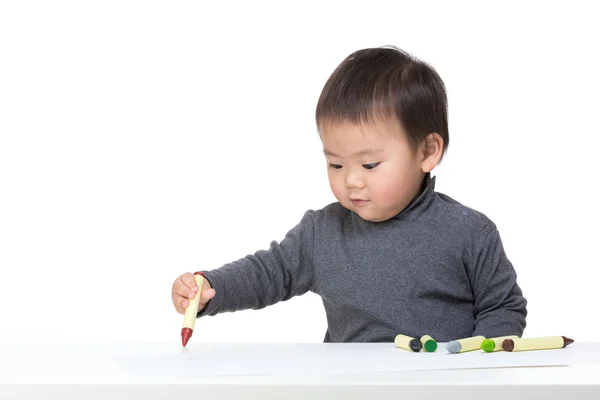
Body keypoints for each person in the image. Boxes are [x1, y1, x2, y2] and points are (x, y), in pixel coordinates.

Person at [170, 46, 527, 342]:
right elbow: (268, 272)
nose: (351, 181)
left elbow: (502, 307)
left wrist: (482, 362)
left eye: (370, 165)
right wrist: (211, 287)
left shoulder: (468, 232)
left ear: (427, 151)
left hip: (443, 387)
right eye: (336, 165)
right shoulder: (322, 232)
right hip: (350, 387)